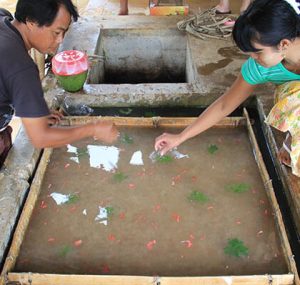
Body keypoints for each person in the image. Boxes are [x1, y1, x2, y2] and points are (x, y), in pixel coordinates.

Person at [155, 0, 300, 177]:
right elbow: (225, 104)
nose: (254, 59)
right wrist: (180, 137)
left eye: (258, 52)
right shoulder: (259, 67)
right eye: (250, 54)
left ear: (283, 44)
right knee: (291, 97)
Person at [0, 0, 119, 168]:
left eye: (64, 32)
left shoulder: (3, 18)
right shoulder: (23, 68)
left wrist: (33, 111)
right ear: (31, 22)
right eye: (56, 32)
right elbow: (40, 138)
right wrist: (92, 129)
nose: (60, 40)